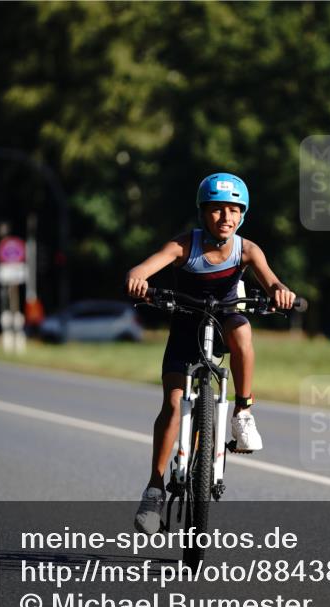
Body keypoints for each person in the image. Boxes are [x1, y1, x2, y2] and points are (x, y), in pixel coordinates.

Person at [125, 173, 296, 534]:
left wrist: (282, 291)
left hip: (225, 320)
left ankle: (243, 412)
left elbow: (271, 279)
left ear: (243, 215)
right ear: (203, 213)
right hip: (186, 326)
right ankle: (154, 488)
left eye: (234, 210)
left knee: (242, 328)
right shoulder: (184, 246)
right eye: (218, 210)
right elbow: (146, 266)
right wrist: (138, 278)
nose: (226, 218)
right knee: (173, 405)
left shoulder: (246, 250)